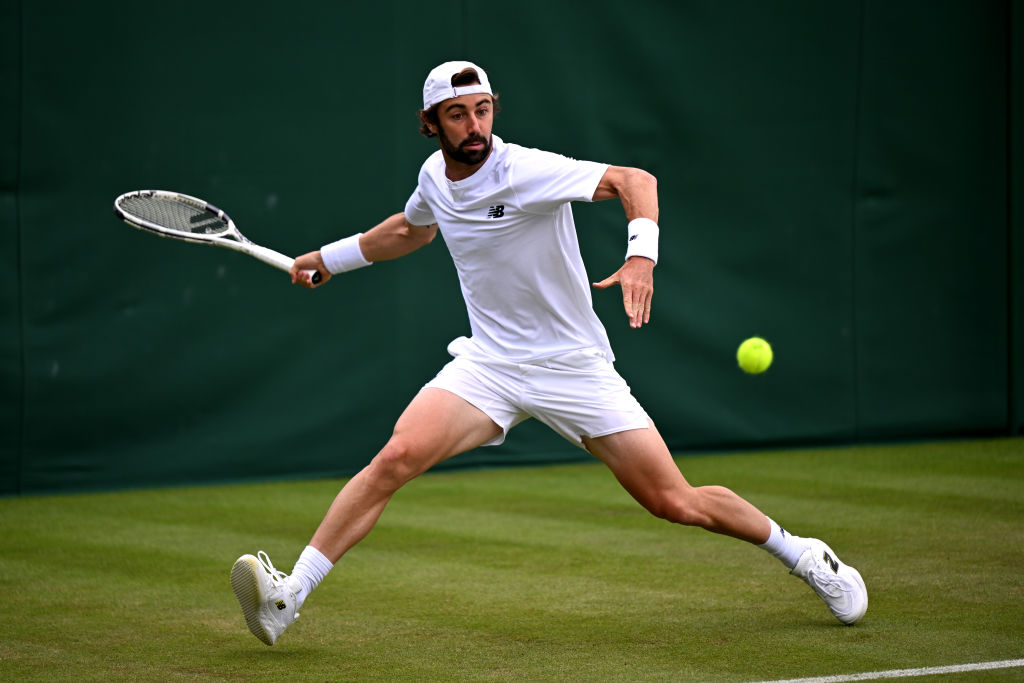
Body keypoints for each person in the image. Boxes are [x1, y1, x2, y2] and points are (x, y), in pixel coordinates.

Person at [229, 60, 868, 646]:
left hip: (573, 368)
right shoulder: (432, 177)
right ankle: (287, 597)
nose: (475, 124)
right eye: (458, 114)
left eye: (483, 109)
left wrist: (641, 254)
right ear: (431, 124)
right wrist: (329, 261)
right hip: (491, 365)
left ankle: (805, 555)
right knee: (395, 457)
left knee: (675, 502)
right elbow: (410, 229)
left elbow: (632, 180)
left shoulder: (525, 169)